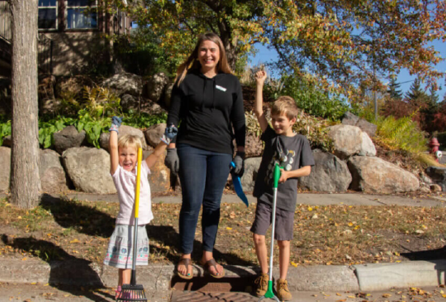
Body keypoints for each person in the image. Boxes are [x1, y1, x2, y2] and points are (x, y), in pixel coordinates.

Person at [164, 32, 246, 280]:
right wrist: (171, 147)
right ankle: (186, 253)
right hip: (191, 147)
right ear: (197, 53)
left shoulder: (231, 82)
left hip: (221, 150)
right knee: (192, 201)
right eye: (203, 50)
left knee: (213, 204)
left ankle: (207, 254)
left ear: (220, 53)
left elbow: (239, 120)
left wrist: (240, 152)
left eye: (212, 50)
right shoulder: (185, 81)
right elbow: (173, 117)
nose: (208, 54)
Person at [251, 70, 314, 301]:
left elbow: (307, 169)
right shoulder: (271, 137)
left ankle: (282, 281)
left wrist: (289, 174)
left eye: (281, 120)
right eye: (275, 119)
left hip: (286, 198)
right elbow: (258, 112)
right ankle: (264, 276)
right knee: (259, 236)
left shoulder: (300, 142)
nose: (276, 123)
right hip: (266, 195)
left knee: (283, 241)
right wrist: (260, 84)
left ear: (292, 120)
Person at [103, 116, 177, 298]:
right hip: (126, 224)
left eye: (131, 154)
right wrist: (114, 129)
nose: (127, 159)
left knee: (130, 259)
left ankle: (123, 290)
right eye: (123, 154)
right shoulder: (118, 173)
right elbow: (112, 147)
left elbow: (157, 154)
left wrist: (166, 139)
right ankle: (125, 290)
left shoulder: (142, 168)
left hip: (140, 223)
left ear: (138, 155)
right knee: (126, 261)